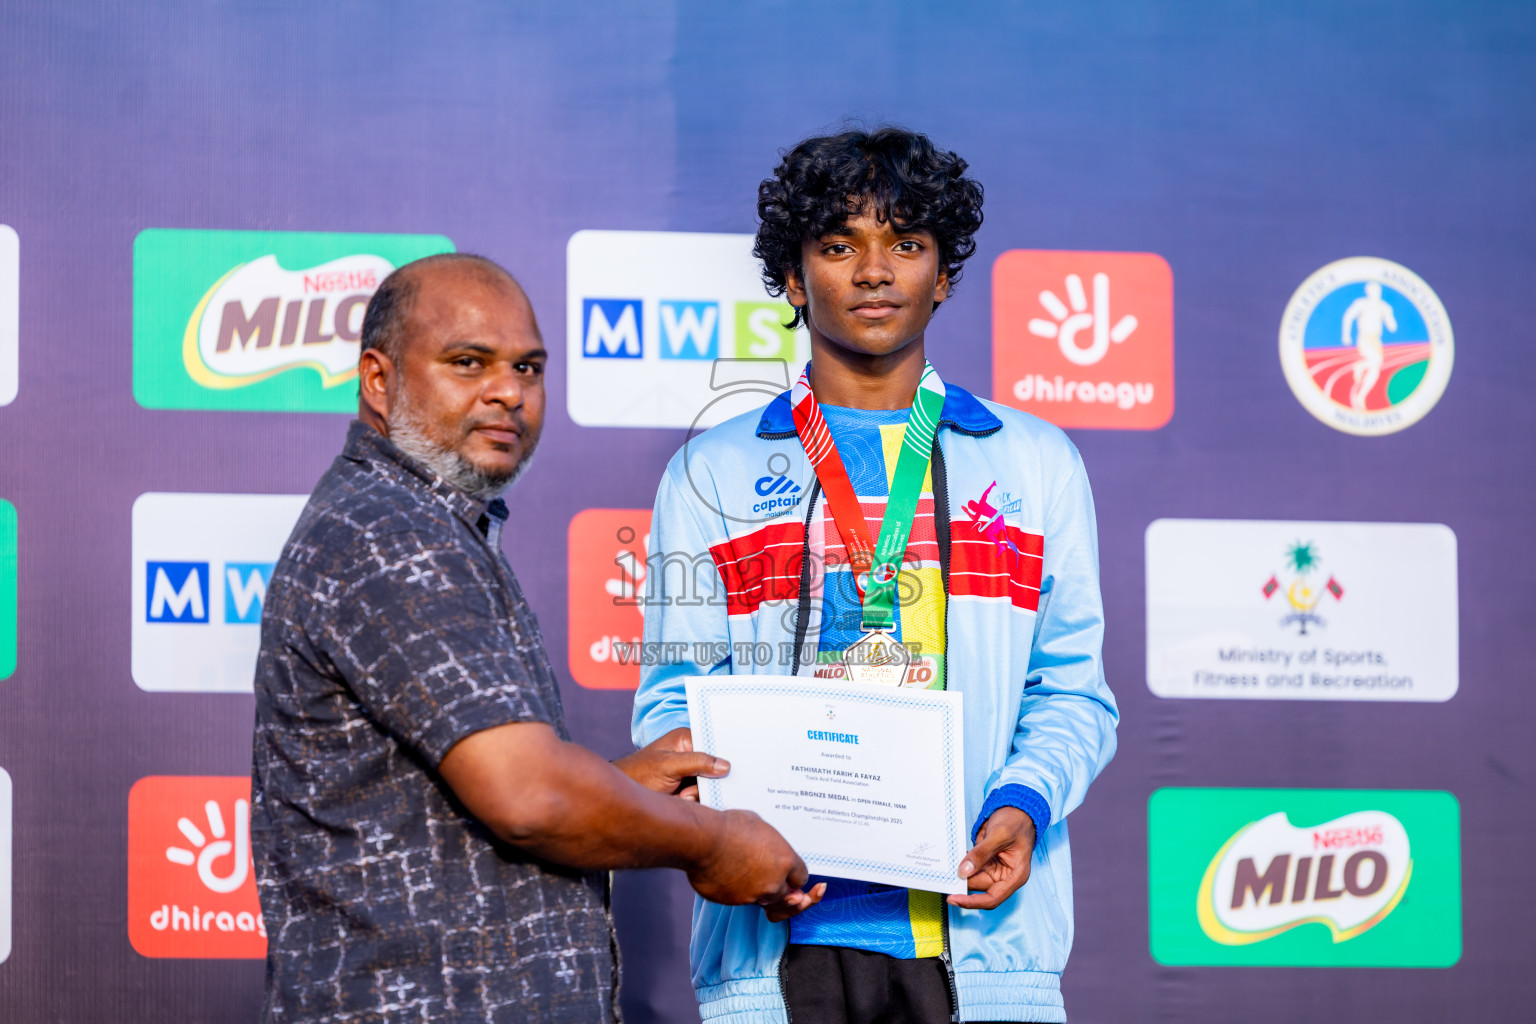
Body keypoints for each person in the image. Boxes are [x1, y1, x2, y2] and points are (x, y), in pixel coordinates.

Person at [251, 253, 822, 1024]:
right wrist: (711, 842)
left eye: (528, 367)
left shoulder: (430, 524)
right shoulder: (393, 534)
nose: (508, 392)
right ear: (379, 381)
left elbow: (466, 803)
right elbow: (528, 795)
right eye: (467, 363)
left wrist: (617, 785)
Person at [632, 128, 1119, 1024]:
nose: (873, 270)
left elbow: (1073, 694)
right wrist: (723, 828)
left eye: (905, 243)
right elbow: (673, 707)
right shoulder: (710, 473)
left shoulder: (1036, 463)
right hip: (777, 945)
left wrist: (1024, 803)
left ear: (943, 275)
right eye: (836, 245)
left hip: (979, 941)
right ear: (790, 278)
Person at [1341, 280, 1396, 409]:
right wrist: (1346, 335)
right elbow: (1348, 317)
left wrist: (1390, 316)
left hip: (1376, 340)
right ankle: (1359, 366)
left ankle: (1361, 395)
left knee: (1375, 370)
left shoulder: (1384, 306)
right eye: (1372, 290)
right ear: (1368, 291)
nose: (1375, 293)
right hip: (1364, 338)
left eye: (1377, 290)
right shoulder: (1362, 304)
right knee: (1376, 360)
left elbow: (1392, 326)